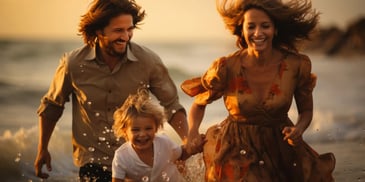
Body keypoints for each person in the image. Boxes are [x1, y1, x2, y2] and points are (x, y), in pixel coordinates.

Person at [181, 0, 336, 181]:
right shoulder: (226, 67)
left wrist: (299, 129)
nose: (258, 33)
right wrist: (192, 133)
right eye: (251, 26)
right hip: (236, 147)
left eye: (265, 26)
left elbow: (306, 111)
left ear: (275, 29)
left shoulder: (295, 65)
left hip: (279, 147)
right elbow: (199, 103)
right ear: (242, 30)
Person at [34, 0, 188, 181]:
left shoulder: (148, 62)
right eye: (118, 31)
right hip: (93, 162)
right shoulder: (73, 64)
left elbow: (171, 105)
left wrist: (187, 143)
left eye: (129, 29)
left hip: (136, 163)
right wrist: (42, 149)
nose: (126, 36)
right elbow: (52, 106)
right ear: (99, 31)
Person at [111, 89, 202, 182]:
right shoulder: (121, 157)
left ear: (156, 128)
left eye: (148, 128)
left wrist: (193, 147)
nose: (142, 134)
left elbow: (181, 154)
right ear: (124, 131)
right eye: (135, 130)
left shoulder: (164, 143)